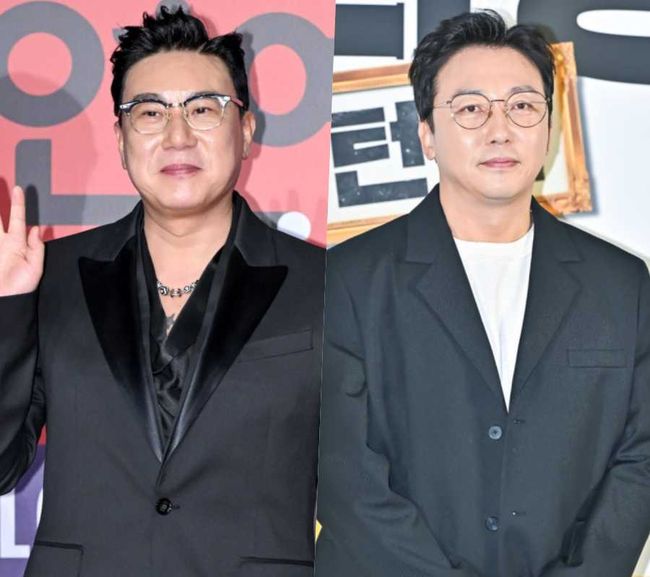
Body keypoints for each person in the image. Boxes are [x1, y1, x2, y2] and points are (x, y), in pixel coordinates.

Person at [315, 10, 650, 577]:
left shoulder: (622, 285)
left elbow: (639, 459)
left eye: (522, 106)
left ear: (549, 127)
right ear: (426, 133)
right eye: (471, 108)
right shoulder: (346, 280)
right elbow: (343, 474)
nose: (500, 129)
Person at [0, 7, 323, 577]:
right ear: (121, 139)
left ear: (246, 131)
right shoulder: (49, 275)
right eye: (150, 112)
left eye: (203, 109)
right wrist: (8, 308)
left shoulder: (327, 285)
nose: (177, 136)